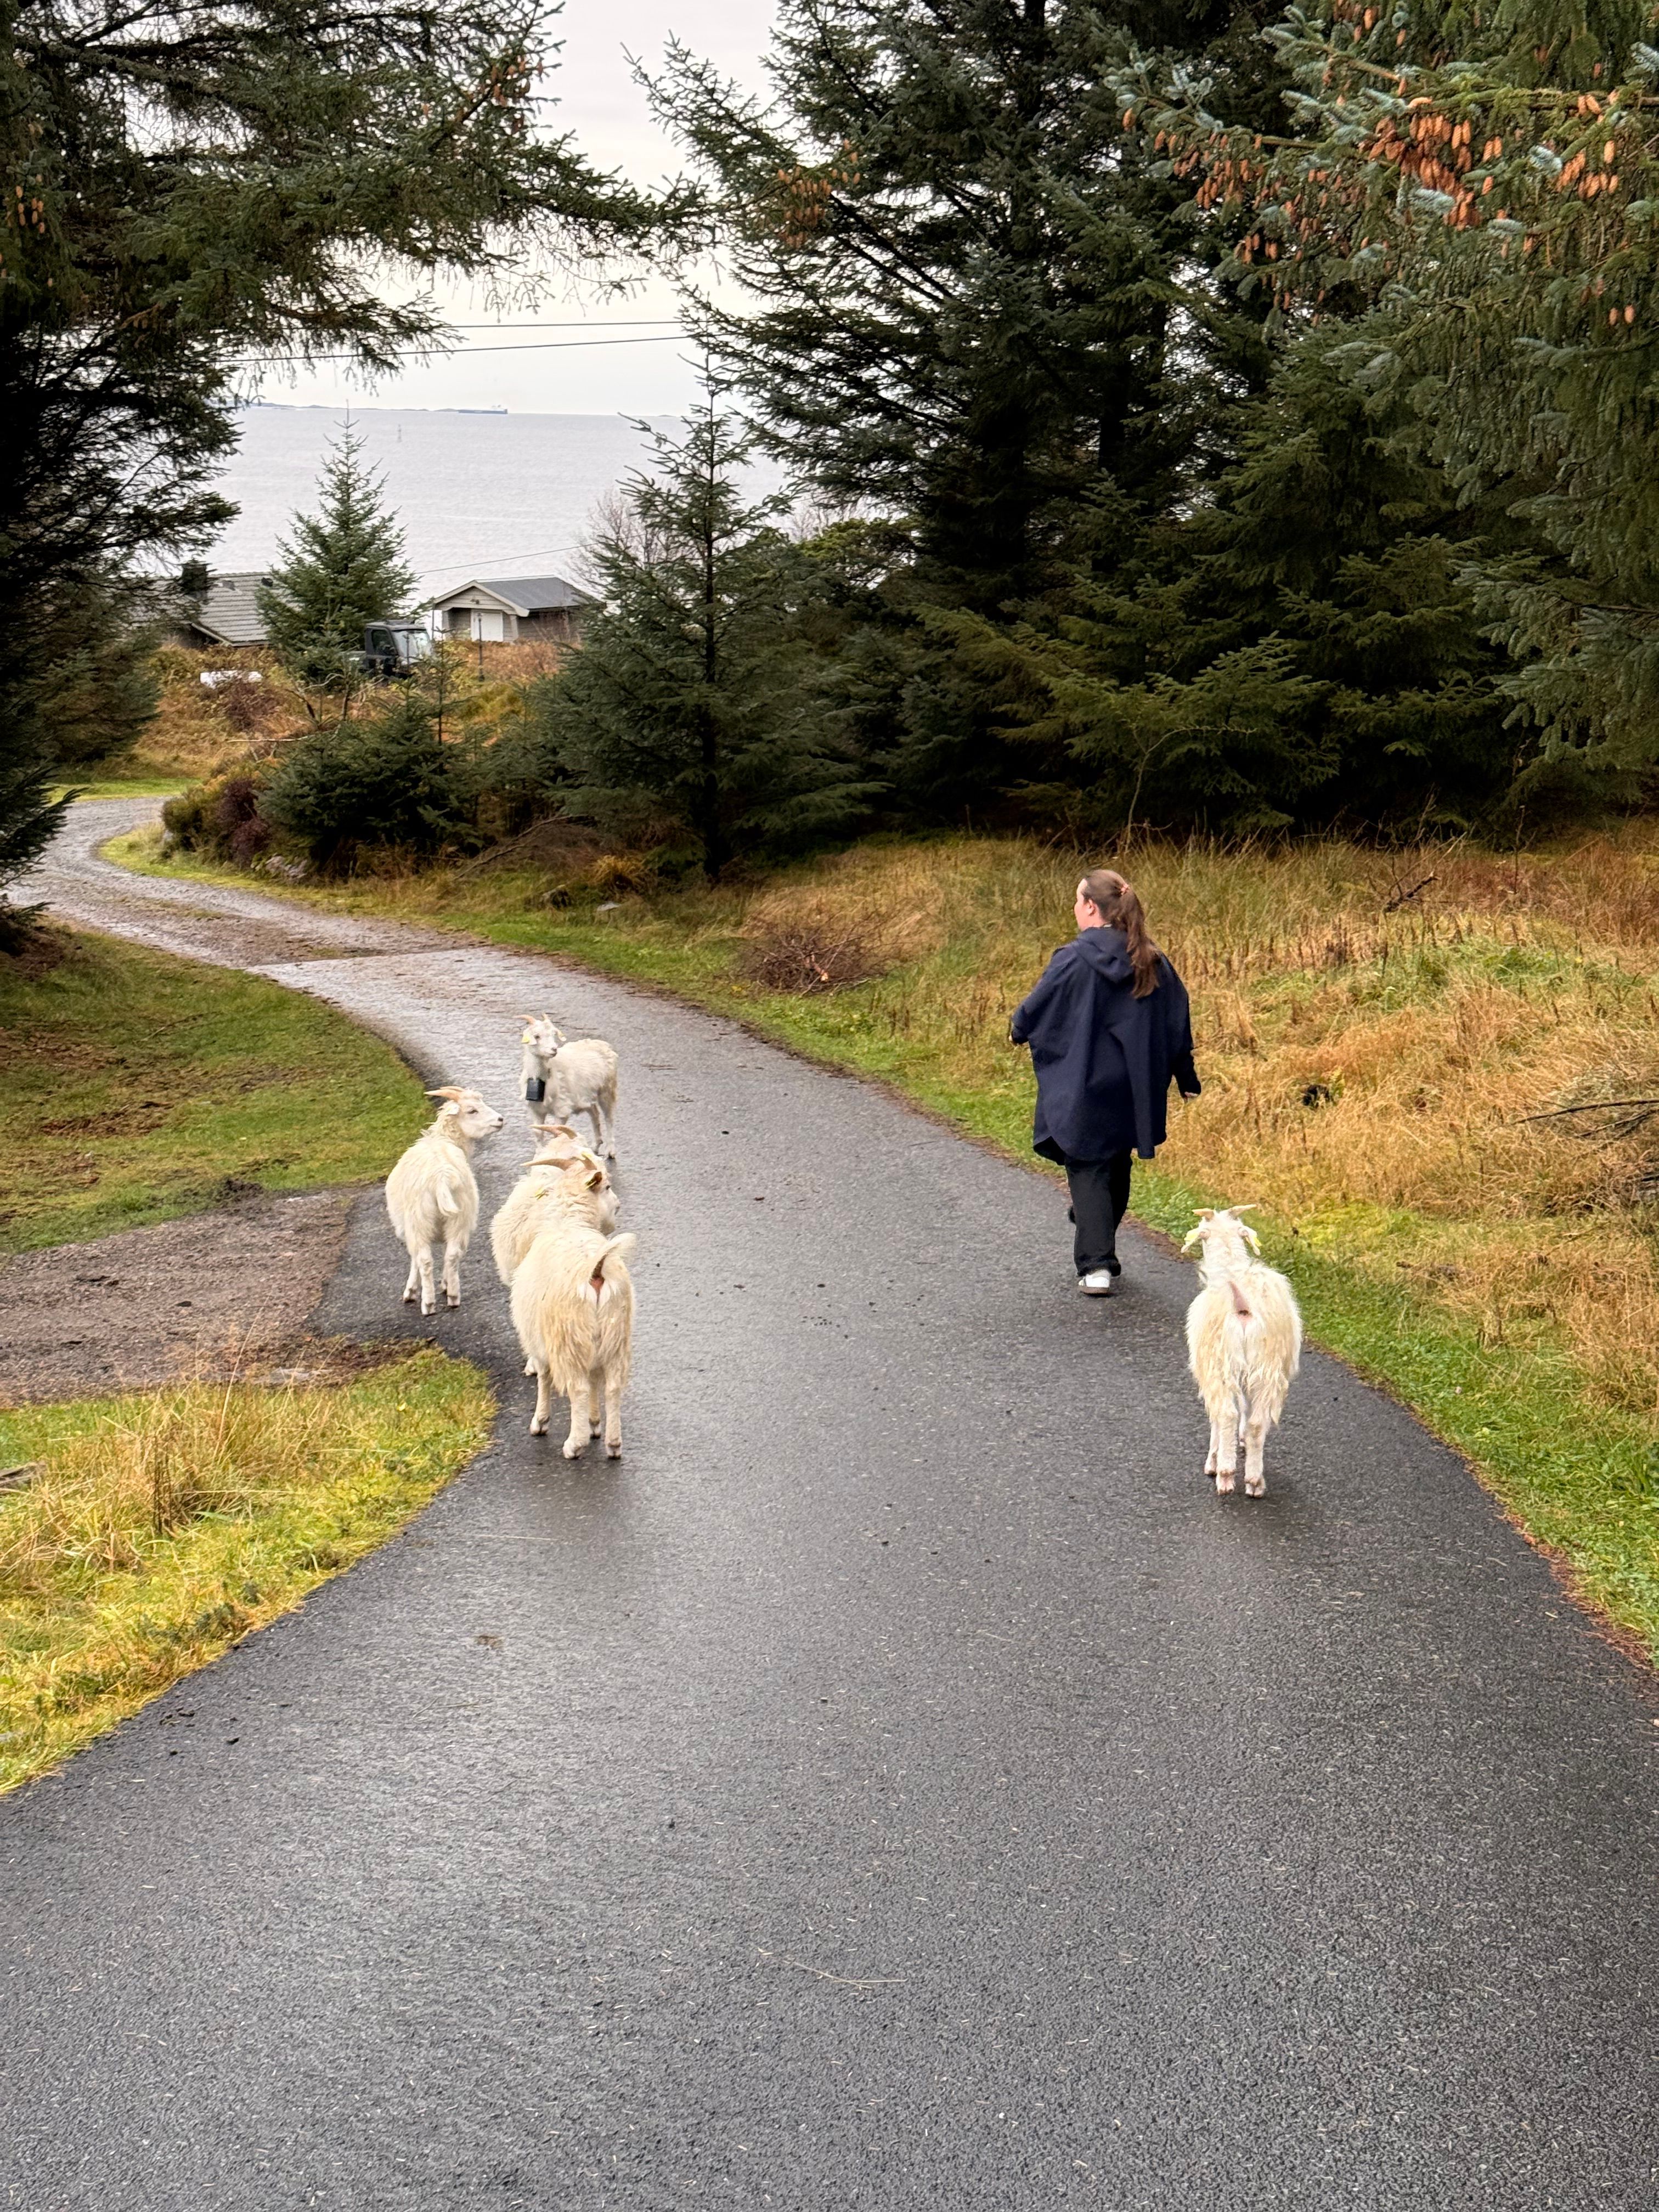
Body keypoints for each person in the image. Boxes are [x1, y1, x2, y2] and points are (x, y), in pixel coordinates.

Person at [1009, 867, 1200, 1296]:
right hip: (1135, 1084)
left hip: (1085, 1079)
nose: (1076, 910)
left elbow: (1040, 1001)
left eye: (1078, 903)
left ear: (1090, 907)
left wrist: (1018, 1027)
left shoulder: (1074, 957)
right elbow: (1176, 1020)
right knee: (1115, 1159)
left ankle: (1096, 1264)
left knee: (1088, 1161)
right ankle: (1100, 1239)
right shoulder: (1151, 958)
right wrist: (1185, 1075)